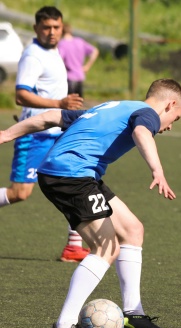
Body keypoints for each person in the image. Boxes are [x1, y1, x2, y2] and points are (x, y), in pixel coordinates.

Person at [0, 78, 181, 328]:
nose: (169, 126)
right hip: (70, 175)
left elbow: (51, 117)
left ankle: (134, 315)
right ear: (170, 104)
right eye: (175, 118)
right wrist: (157, 170)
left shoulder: (112, 107)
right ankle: (64, 326)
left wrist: (7, 134)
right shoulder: (147, 114)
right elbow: (141, 133)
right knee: (105, 247)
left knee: (132, 230)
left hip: (77, 174)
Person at [0, 6, 87, 263]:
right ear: (36, 28)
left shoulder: (54, 50)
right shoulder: (33, 55)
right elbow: (21, 95)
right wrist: (59, 103)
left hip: (57, 132)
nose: (52, 32)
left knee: (77, 180)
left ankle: (74, 247)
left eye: (56, 27)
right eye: (46, 27)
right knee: (20, 193)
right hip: (36, 135)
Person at [58, 23, 100, 98]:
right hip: (80, 78)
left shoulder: (62, 44)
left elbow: (59, 60)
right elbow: (95, 51)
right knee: (78, 103)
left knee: (68, 104)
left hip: (69, 79)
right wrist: (87, 66)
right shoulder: (79, 41)